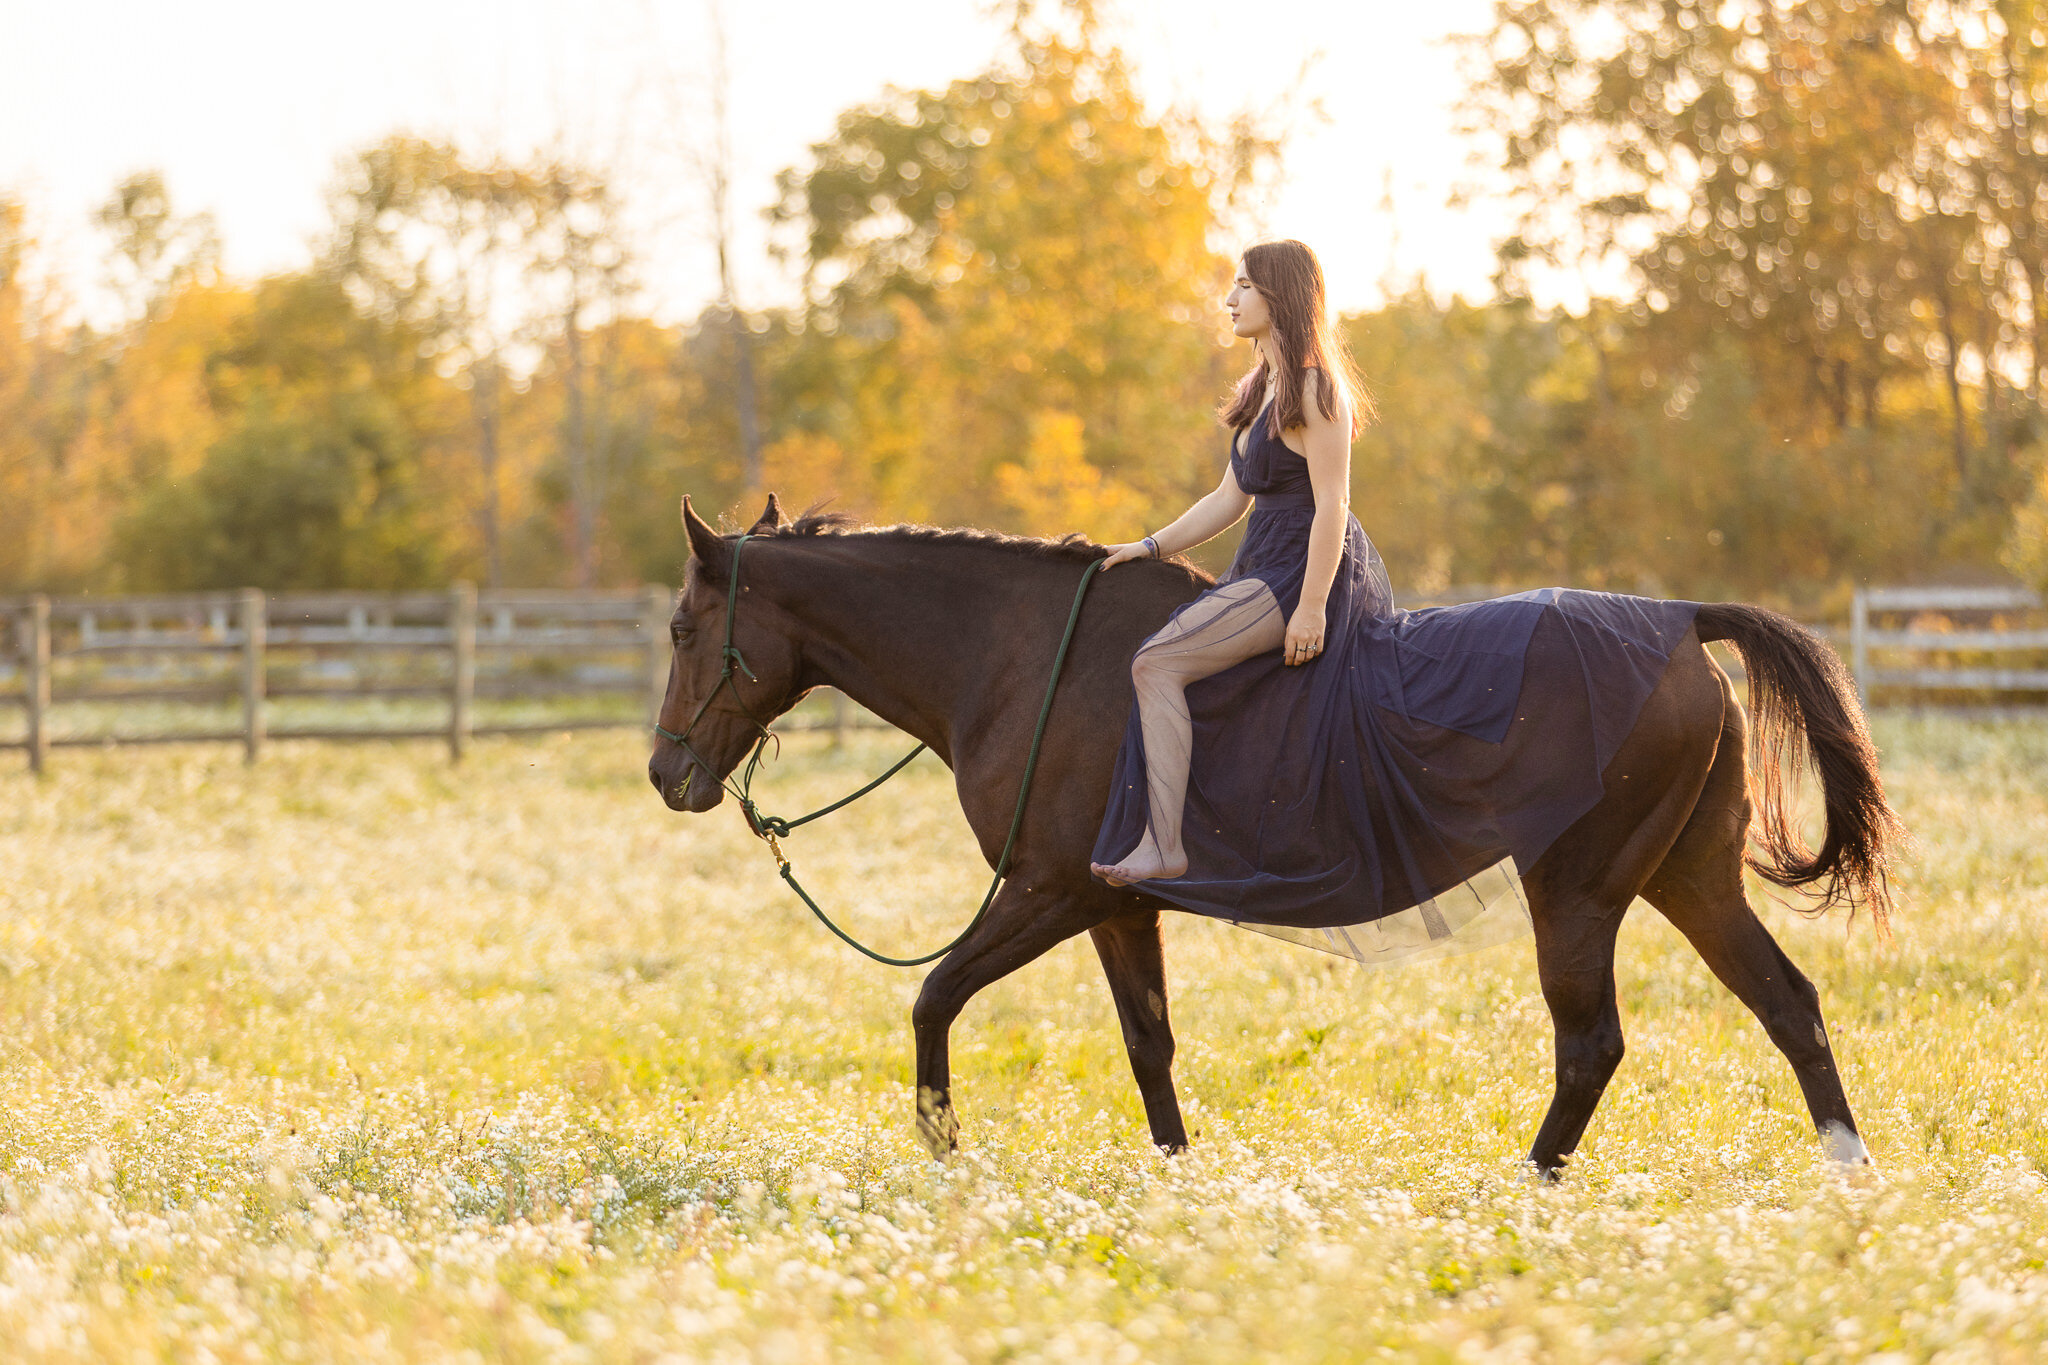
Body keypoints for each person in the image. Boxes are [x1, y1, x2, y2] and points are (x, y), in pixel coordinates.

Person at [1087, 239, 1699, 964]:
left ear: (1278, 296)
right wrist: (1150, 546)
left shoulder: (1316, 390)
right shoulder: (1260, 389)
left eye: (1243, 285)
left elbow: (1331, 506)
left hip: (1300, 571)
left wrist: (1311, 607)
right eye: (1232, 285)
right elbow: (1227, 499)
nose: (1229, 298)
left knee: (1158, 663)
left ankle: (1165, 846)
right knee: (1170, 665)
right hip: (1265, 563)